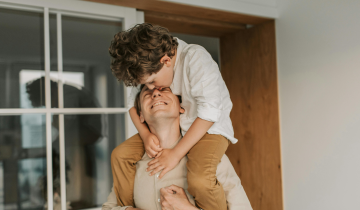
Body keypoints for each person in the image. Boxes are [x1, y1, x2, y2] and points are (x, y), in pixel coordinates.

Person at [109, 23, 237, 209]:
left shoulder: (195, 58)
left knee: (200, 179)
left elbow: (210, 113)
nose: (151, 89)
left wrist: (176, 154)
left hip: (210, 129)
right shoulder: (147, 66)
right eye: (146, 85)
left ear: (166, 61)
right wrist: (145, 135)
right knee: (120, 155)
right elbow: (131, 106)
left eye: (152, 82)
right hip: (175, 128)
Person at [103, 85, 252, 210]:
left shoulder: (208, 159)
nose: (155, 93)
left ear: (181, 107)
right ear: (140, 116)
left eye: (165, 89)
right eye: (147, 94)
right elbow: (108, 207)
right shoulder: (130, 164)